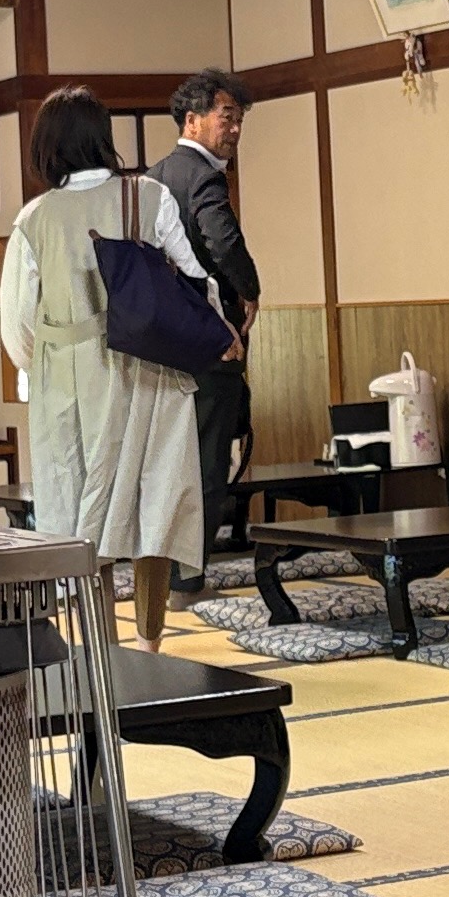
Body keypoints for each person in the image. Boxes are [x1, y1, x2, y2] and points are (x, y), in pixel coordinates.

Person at [1, 86, 207, 645]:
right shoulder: (149, 196)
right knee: (151, 509)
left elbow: (17, 325)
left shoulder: (34, 220)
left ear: (46, 147)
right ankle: (151, 644)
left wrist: (51, 363)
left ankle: (103, 650)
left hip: (73, 389)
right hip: (151, 376)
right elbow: (195, 281)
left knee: (84, 517)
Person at [150, 69, 259, 563]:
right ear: (192, 120)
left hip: (161, 344)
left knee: (169, 464)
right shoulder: (204, 177)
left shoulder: (153, 177)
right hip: (212, 342)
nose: (234, 129)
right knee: (209, 462)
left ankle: (164, 570)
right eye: (226, 117)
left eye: (239, 120)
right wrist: (249, 290)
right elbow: (222, 240)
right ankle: (189, 575)